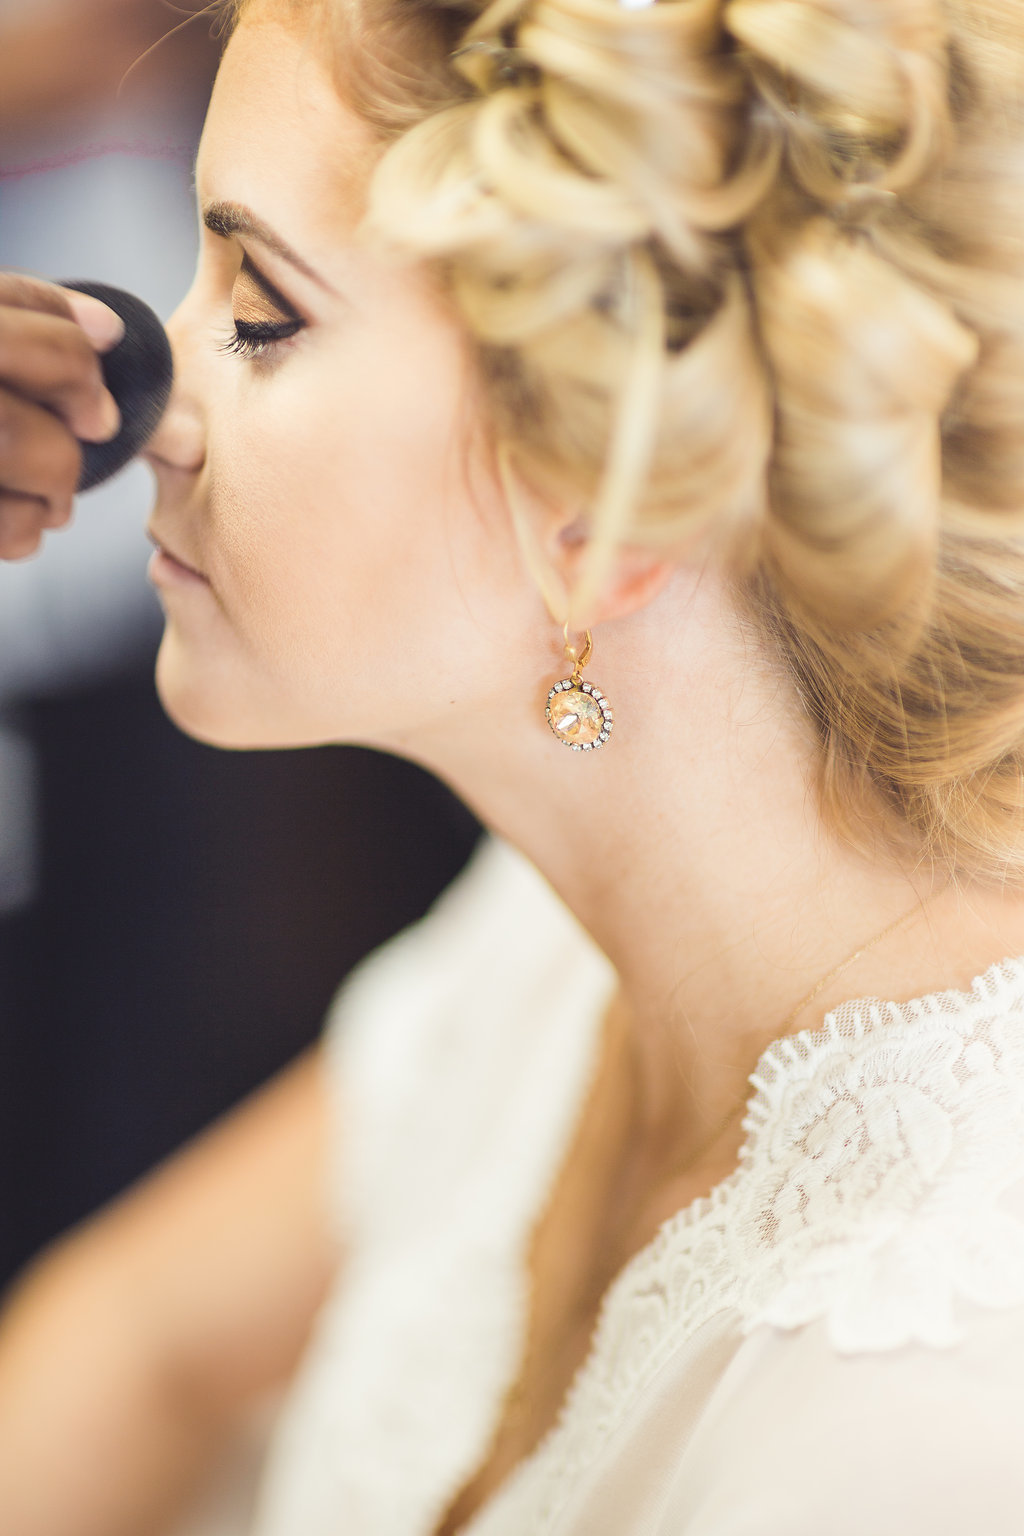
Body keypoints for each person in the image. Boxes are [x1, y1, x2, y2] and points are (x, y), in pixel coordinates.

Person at [2, 0, 1024, 1531]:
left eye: (261, 310)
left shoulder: (905, 1432)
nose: (151, 412)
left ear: (599, 500)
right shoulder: (558, 935)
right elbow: (133, 1345)